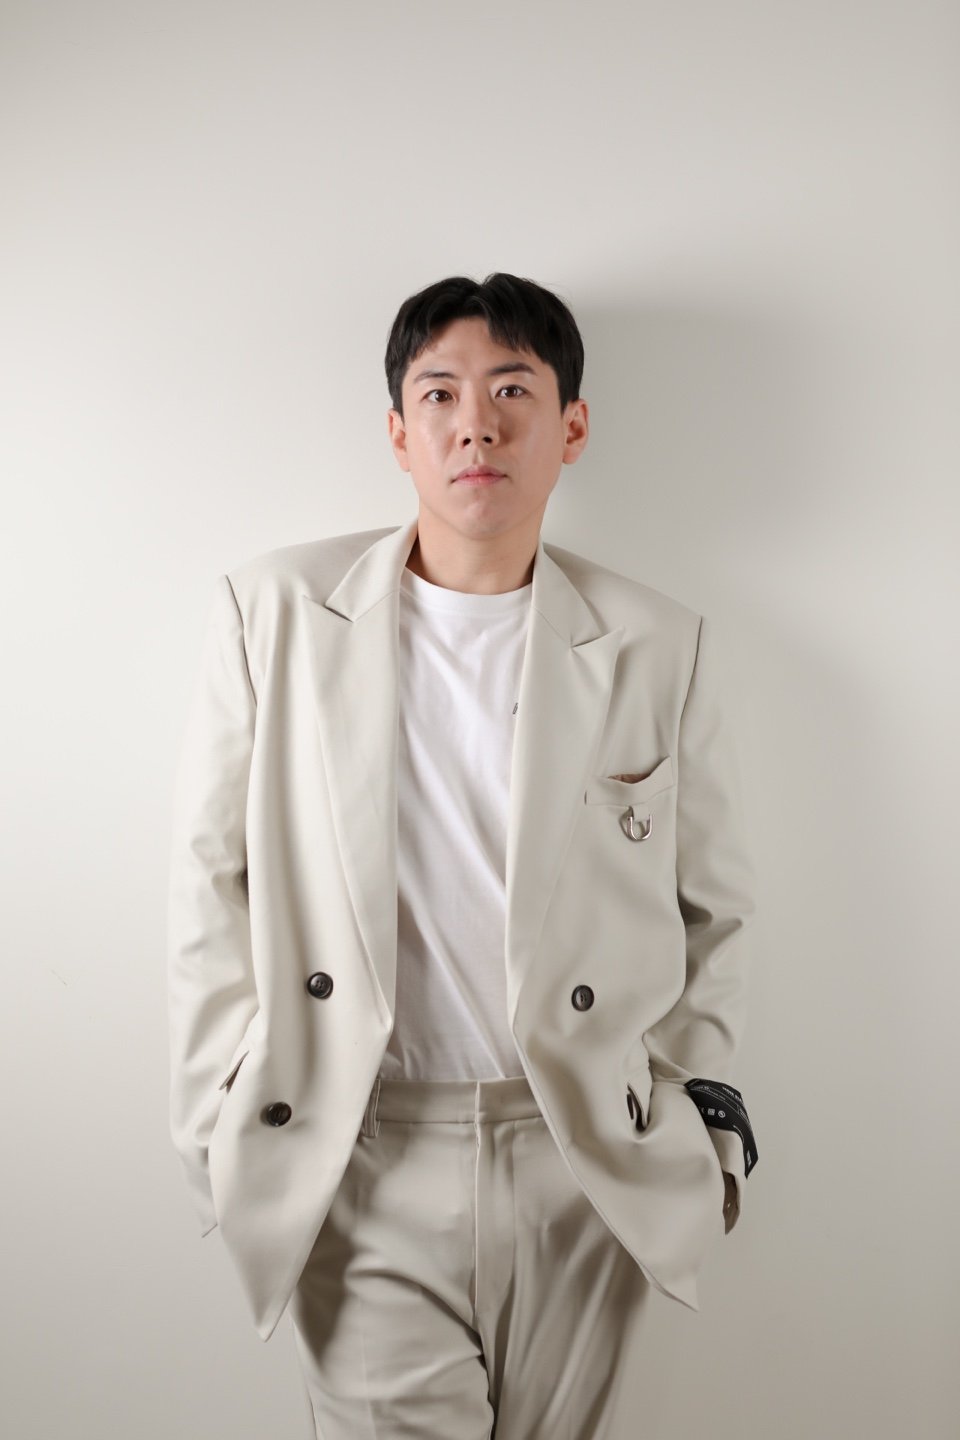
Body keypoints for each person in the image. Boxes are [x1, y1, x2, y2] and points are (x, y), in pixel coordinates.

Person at [166, 272, 759, 1438]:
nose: (474, 424)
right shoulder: (274, 613)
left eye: (511, 391)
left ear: (571, 427)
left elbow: (715, 908)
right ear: (399, 432)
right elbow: (208, 883)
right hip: (358, 1148)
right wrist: (213, 1123)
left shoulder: (654, 642)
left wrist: (701, 1126)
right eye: (439, 394)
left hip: (584, 1155)